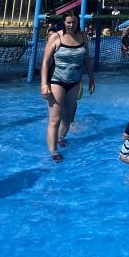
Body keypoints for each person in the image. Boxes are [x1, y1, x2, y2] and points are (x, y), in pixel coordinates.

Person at [40, 11, 95, 162]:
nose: (71, 25)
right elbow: (45, 62)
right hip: (57, 81)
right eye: (68, 22)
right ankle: (53, 151)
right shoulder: (55, 37)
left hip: (75, 81)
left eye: (74, 22)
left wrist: (91, 78)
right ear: (64, 22)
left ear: (78, 22)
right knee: (55, 119)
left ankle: (60, 138)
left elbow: (87, 58)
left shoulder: (83, 36)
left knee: (68, 117)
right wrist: (44, 84)